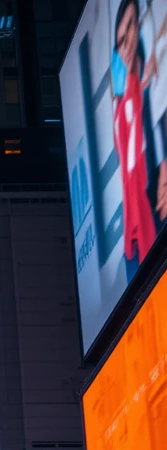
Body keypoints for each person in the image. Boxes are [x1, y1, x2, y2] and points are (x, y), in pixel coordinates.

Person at [112, 0, 165, 284]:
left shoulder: (154, 75)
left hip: (156, 212)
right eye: (120, 40)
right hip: (133, 241)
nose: (127, 43)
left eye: (131, 26)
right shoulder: (121, 109)